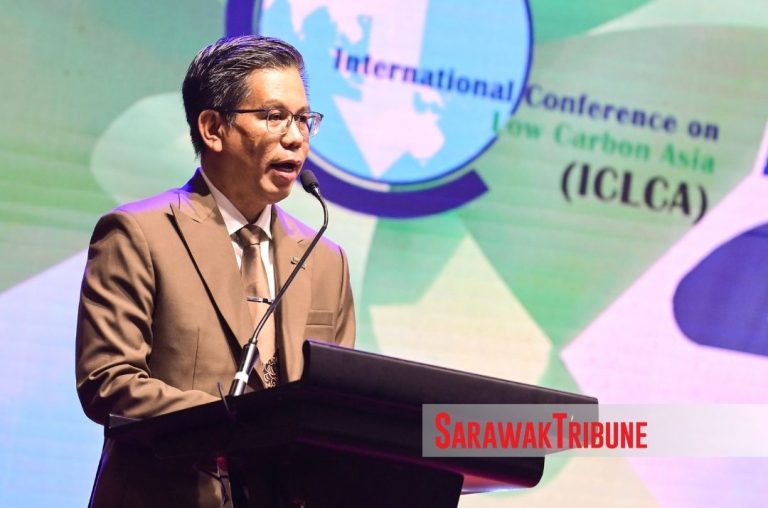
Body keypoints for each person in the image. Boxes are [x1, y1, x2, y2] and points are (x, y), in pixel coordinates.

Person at [75, 35, 356, 507]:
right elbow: (110, 382)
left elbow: (335, 402)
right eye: (274, 116)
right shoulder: (139, 234)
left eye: (304, 119)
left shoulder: (325, 259)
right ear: (212, 128)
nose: (296, 137)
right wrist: (242, 425)